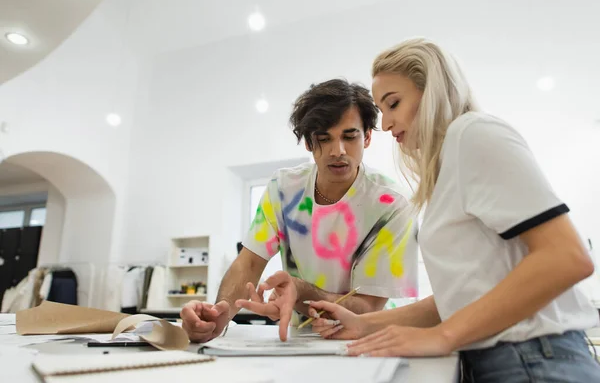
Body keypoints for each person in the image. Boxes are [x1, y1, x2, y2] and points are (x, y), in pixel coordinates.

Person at [308, 38, 600, 382]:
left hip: (534, 360)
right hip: (505, 360)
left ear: (432, 91)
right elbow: (459, 301)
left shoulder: (473, 133)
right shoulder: (449, 167)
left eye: (394, 103)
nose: (385, 124)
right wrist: (363, 323)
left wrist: (441, 336)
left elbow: (567, 257)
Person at [181, 78, 419, 343]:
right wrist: (218, 316)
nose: (337, 151)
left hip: (370, 340)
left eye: (349, 137)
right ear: (308, 143)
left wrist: (301, 291)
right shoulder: (284, 189)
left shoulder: (391, 204)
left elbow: (367, 307)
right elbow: (248, 262)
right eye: (323, 139)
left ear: (367, 137)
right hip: (299, 340)